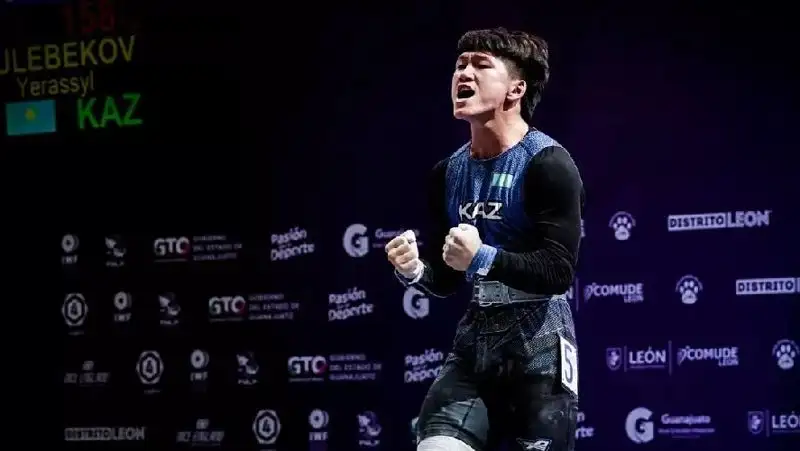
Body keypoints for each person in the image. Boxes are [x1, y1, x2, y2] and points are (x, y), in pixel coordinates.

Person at [385, 27, 584, 451]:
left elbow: (558, 271)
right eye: (460, 65)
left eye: (480, 65)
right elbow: (446, 279)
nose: (464, 73)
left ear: (516, 89)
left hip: (541, 351)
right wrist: (415, 269)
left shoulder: (549, 163)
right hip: (475, 346)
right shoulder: (447, 173)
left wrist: (482, 257)